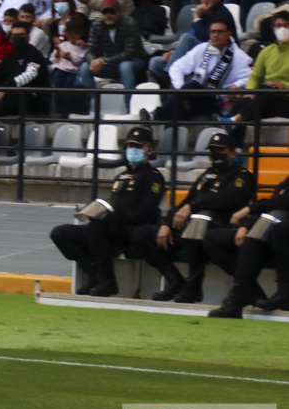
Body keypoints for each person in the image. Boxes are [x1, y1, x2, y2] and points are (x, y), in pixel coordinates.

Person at [130, 133, 255, 303]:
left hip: (218, 229)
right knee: (142, 235)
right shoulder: (206, 175)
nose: (215, 154)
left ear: (232, 153)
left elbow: (226, 200)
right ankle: (174, 279)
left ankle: (193, 287)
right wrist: (167, 224)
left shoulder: (241, 175)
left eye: (220, 150)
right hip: (190, 228)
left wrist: (192, 207)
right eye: (212, 150)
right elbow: (186, 201)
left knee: (199, 222)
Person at [50, 127, 165, 296]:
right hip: (109, 229)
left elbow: (146, 211)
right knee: (61, 233)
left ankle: (108, 282)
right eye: (130, 146)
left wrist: (114, 217)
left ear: (149, 149)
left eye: (138, 146)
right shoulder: (121, 177)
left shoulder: (154, 177)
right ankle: (94, 274)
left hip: (131, 231)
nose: (133, 150)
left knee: (96, 228)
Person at [205, 175, 289, 318]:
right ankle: (250, 293)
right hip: (272, 234)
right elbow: (272, 206)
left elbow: (283, 203)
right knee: (213, 239)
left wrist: (250, 209)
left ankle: (240, 297)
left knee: (266, 233)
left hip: (280, 235)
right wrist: (247, 225)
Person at [143, 20, 253, 122]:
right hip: (194, 96)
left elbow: (252, 76)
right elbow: (176, 68)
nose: (215, 35)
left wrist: (237, 85)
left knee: (193, 84)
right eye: (213, 32)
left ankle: (155, 115)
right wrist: (182, 92)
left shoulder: (240, 57)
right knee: (189, 90)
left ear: (229, 34)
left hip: (216, 101)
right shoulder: (202, 48)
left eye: (220, 32)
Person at [0, 21, 50, 117]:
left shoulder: (35, 55)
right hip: (12, 97)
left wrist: (5, 88)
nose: (17, 39)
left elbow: (29, 75)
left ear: (28, 38)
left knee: (15, 93)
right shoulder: (10, 57)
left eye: (21, 35)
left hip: (34, 99)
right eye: (15, 35)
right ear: (11, 39)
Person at [79, 0, 145, 91]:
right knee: (85, 67)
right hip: (109, 63)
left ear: (120, 12)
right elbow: (90, 50)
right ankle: (93, 102)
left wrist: (104, 61)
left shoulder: (130, 23)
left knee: (125, 66)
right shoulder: (96, 25)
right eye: (105, 12)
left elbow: (130, 53)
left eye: (112, 12)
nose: (108, 15)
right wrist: (94, 62)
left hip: (134, 61)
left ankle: (127, 102)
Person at [49, 14, 90, 115]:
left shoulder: (82, 48)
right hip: (60, 70)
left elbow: (79, 61)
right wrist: (58, 53)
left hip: (72, 72)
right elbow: (52, 59)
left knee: (67, 90)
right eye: (70, 37)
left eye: (74, 37)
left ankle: (66, 110)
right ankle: (58, 110)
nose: (72, 40)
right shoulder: (63, 45)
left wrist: (70, 58)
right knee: (57, 89)